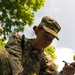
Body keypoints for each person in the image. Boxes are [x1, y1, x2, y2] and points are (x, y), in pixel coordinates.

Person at [0, 16, 75, 75]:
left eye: (51, 39)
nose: (48, 41)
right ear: (36, 31)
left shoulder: (46, 60)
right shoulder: (18, 41)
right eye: (46, 36)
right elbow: (14, 62)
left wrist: (64, 73)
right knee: (2, 55)